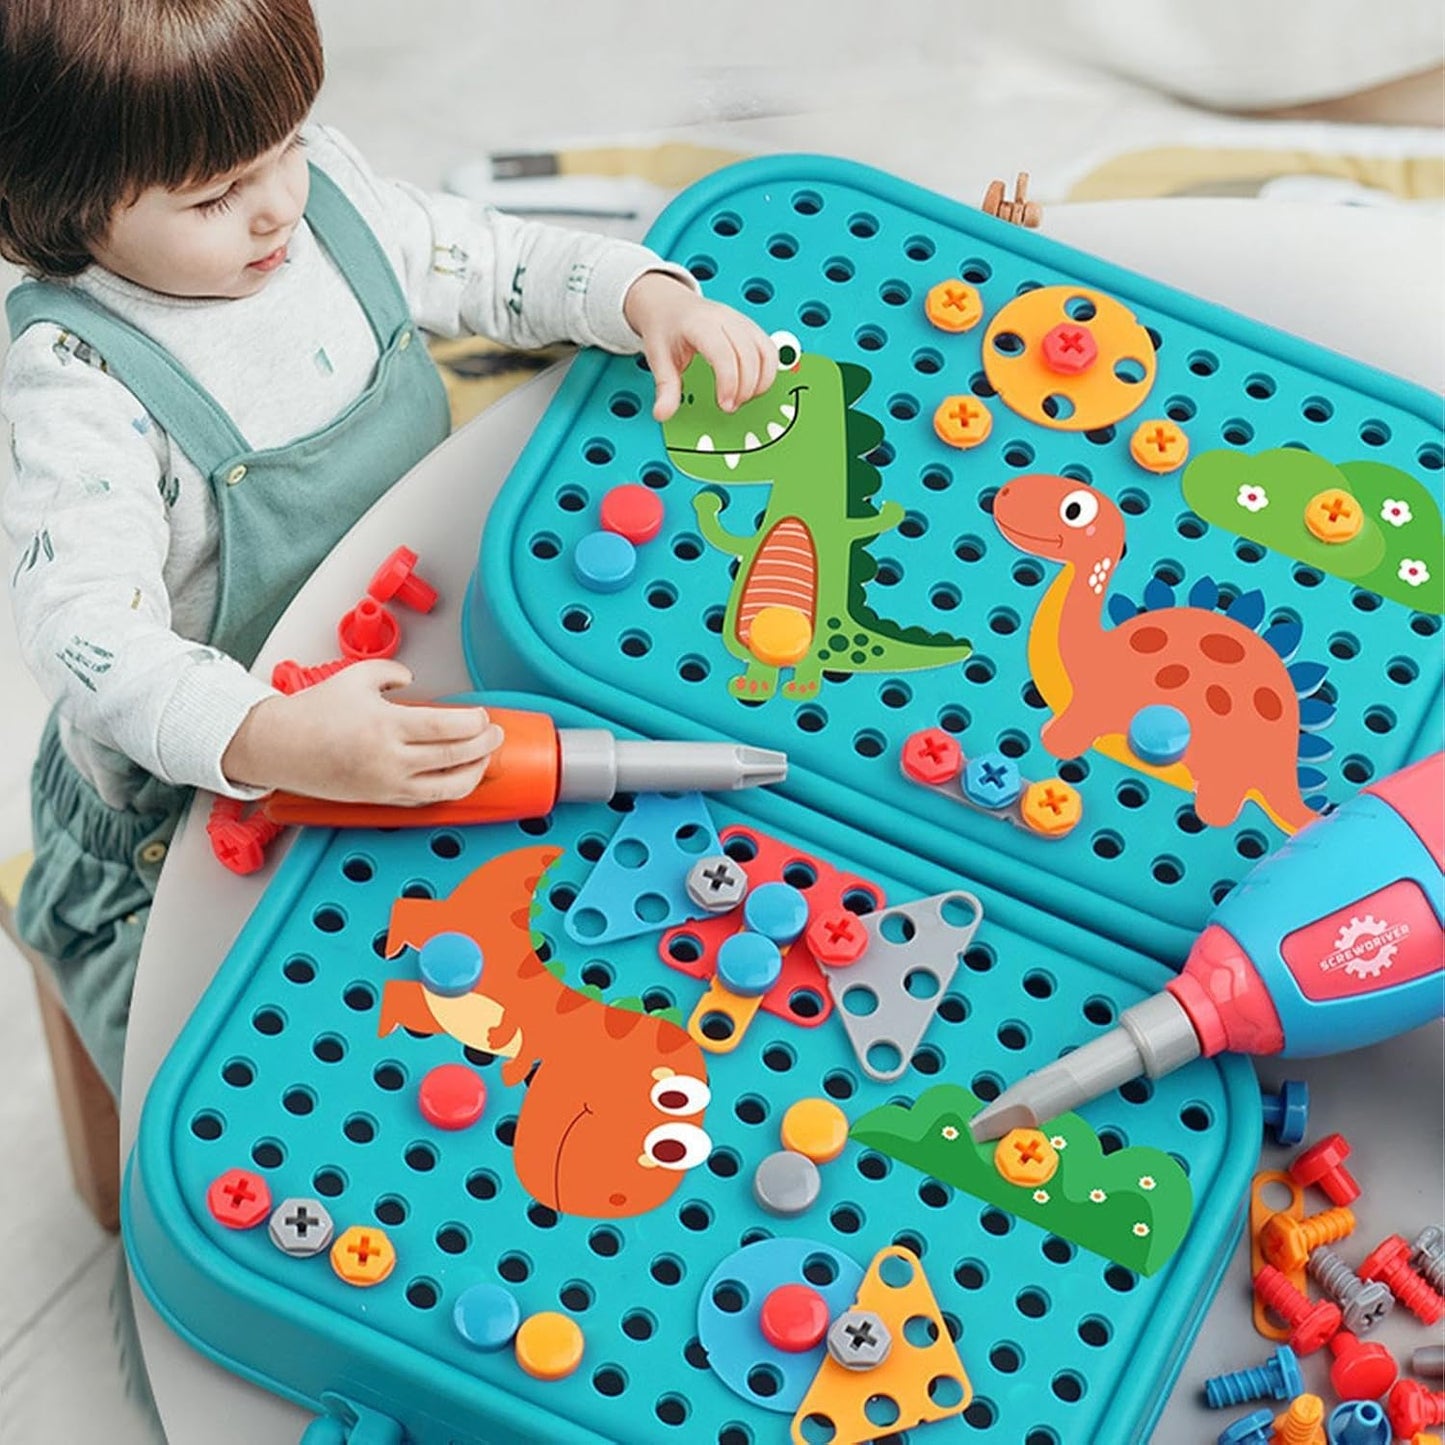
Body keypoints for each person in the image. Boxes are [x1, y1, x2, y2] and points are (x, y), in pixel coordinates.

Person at [0, 0, 778, 1108]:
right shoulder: (81, 385)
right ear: (65, 210)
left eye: (286, 145)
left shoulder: (329, 203)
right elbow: (83, 634)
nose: (278, 206)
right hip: (181, 807)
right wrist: (272, 736)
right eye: (216, 195)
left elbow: (498, 259)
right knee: (229, 1091)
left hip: (408, 642)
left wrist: (636, 293)